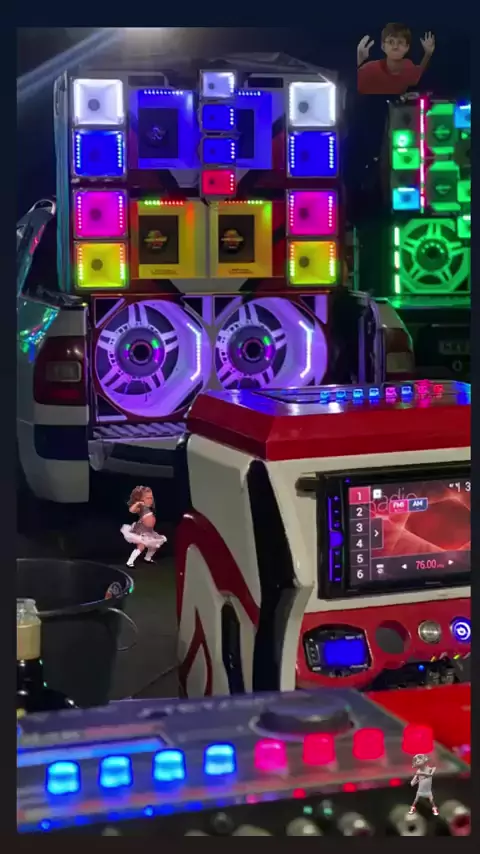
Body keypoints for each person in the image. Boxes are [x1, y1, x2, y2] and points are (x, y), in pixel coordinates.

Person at [357, 23, 435, 95]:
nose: (395, 47)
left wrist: (428, 54)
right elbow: (355, 83)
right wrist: (360, 59)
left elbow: (418, 73)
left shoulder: (408, 66)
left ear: (407, 47)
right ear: (383, 47)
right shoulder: (371, 68)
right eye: (391, 42)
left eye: (400, 42)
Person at [121, 485, 167, 568]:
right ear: (141, 499)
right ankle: (130, 562)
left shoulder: (150, 508)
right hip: (141, 530)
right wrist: (137, 503)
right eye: (148, 498)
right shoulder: (141, 507)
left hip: (149, 531)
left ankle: (147, 558)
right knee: (141, 546)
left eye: (151, 498)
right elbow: (131, 510)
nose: (150, 500)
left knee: (154, 545)